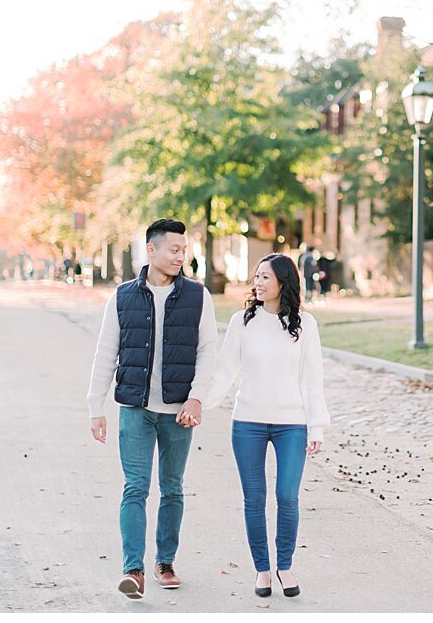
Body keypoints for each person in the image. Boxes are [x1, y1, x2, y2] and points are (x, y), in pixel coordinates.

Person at [87, 218, 217, 600]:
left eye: (184, 249)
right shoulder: (123, 296)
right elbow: (106, 352)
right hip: (135, 409)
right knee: (135, 487)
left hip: (179, 411)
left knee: (172, 488)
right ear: (152, 250)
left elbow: (208, 349)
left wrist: (197, 397)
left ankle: (165, 561)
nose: (181, 256)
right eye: (174, 249)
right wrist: (96, 406)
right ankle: (133, 569)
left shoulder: (198, 295)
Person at [187, 253, 330, 599]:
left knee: (286, 496)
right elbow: (225, 372)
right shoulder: (242, 321)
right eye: (256, 277)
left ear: (284, 281)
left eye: (266, 277)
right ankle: (262, 570)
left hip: (291, 424)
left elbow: (313, 379)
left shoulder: (305, 325)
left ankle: (285, 565)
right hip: (248, 421)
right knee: (254, 499)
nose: (258, 282)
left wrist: (317, 426)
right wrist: (199, 404)